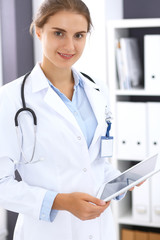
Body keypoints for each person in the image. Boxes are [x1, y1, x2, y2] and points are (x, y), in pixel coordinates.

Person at [0, 0, 138, 239]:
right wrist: (62, 202)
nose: (69, 45)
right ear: (39, 30)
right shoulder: (11, 99)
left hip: (99, 228)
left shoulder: (97, 90)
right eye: (58, 33)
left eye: (79, 35)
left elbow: (94, 163)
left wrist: (117, 182)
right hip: (47, 231)